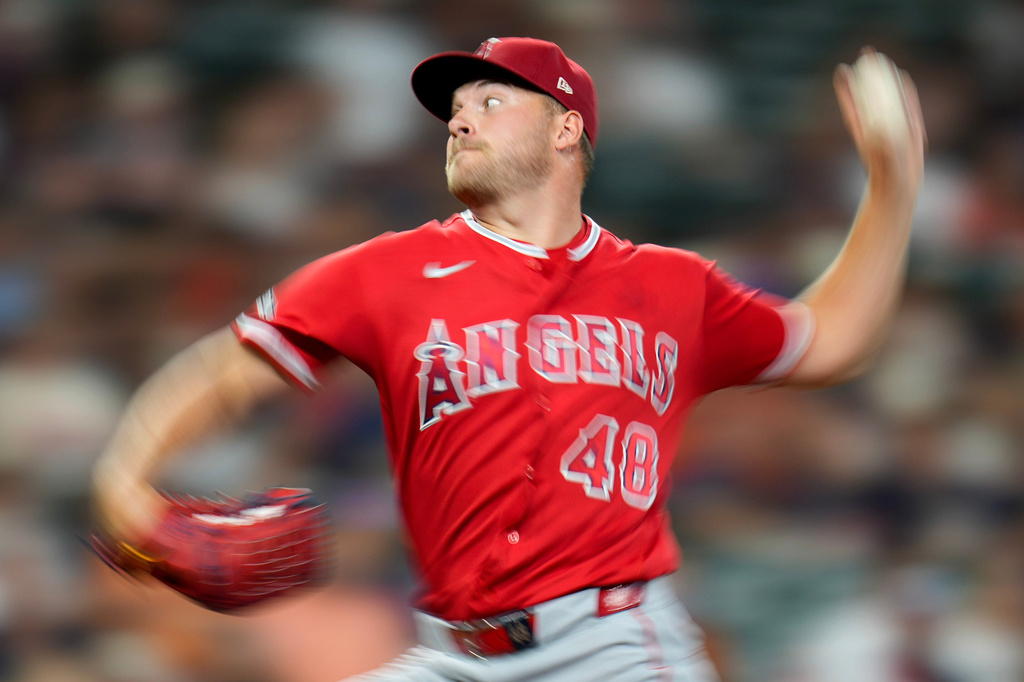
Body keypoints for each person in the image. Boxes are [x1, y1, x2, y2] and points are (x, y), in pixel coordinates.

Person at [92, 37, 926, 681]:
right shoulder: (382, 272)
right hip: (454, 654)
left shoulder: (673, 286)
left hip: (611, 647)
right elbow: (221, 372)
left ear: (567, 129)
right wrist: (123, 479)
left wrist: (892, 186)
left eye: (490, 101)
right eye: (456, 108)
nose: (459, 120)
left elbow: (833, 340)